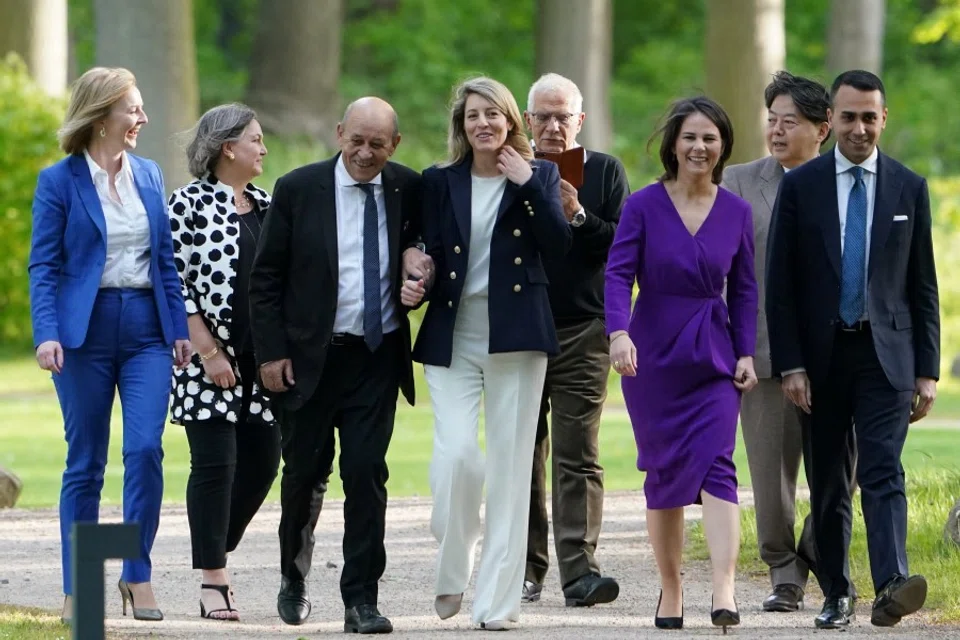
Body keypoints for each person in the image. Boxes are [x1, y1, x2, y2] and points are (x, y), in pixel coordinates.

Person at [766, 70, 940, 629]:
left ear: (883, 118)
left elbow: (923, 286)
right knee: (830, 481)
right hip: (820, 359)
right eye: (849, 117)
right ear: (831, 122)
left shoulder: (909, 187)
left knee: (884, 471)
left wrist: (928, 371)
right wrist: (791, 363)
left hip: (888, 356)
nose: (860, 128)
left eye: (870, 117)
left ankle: (891, 582)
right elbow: (781, 286)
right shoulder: (801, 186)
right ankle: (837, 591)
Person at [249, 96, 424, 634]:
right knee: (304, 473)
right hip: (308, 358)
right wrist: (272, 354)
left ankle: (360, 600)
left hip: (376, 355)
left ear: (394, 145)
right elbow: (265, 279)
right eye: (357, 141)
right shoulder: (299, 189)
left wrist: (420, 264)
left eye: (378, 144)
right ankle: (293, 576)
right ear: (339, 132)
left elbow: (426, 245)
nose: (365, 154)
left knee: (367, 473)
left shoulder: (408, 187)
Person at [28, 66, 191, 623]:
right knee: (86, 464)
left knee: (144, 451)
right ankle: (83, 591)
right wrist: (46, 332)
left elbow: (165, 261)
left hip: (146, 328)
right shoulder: (58, 181)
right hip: (84, 334)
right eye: (133, 110)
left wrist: (178, 331)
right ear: (102, 117)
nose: (142, 119)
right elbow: (44, 265)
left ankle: (136, 575)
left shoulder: (148, 175)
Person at [409, 76, 570, 631]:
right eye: (473, 115)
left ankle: (497, 606)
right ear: (462, 124)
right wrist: (415, 274)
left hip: (519, 337)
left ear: (511, 122)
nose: (483, 123)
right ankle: (454, 563)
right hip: (453, 335)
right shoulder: (437, 181)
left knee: (509, 472)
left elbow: (561, 249)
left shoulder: (542, 174)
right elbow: (422, 249)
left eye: (493, 115)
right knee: (458, 457)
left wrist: (528, 185)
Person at [605, 96, 758, 632]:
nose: (699, 147)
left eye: (710, 138)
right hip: (651, 355)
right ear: (673, 144)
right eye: (690, 137)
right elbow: (618, 274)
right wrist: (618, 333)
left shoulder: (737, 211)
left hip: (714, 354)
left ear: (723, 147)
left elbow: (743, 291)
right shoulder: (643, 205)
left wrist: (745, 352)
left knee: (719, 463)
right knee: (664, 473)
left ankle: (724, 588)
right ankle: (671, 591)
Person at [168, 103, 318, 621]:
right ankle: (214, 580)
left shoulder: (268, 203)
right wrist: (208, 352)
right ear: (228, 146)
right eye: (256, 139)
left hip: (262, 365)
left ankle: (212, 546)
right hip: (206, 362)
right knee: (215, 466)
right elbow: (176, 284)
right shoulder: (186, 204)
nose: (264, 148)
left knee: (262, 464)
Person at [721, 71, 854, 612]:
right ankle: (783, 571)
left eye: (790, 122)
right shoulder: (739, 181)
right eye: (771, 120)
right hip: (764, 348)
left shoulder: (849, 183)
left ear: (822, 128)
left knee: (845, 466)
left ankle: (815, 544)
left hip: (840, 351)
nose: (776, 131)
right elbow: (723, 267)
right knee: (770, 471)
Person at [520, 72, 628, 607]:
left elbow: (622, 249)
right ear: (526, 121)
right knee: (521, 453)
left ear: (579, 121)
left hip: (583, 329)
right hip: (517, 331)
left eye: (563, 116)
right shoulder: (509, 169)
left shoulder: (604, 171)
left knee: (577, 454)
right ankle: (524, 568)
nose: (553, 126)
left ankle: (580, 572)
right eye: (543, 116)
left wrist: (578, 214)